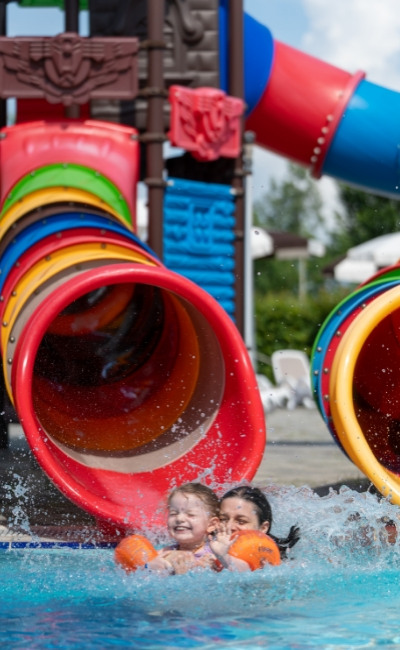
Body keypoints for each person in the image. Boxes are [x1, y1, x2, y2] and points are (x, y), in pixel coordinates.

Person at [145, 482, 249, 574]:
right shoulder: (163, 553)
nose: (179, 518)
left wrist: (223, 556)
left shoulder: (213, 555)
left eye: (190, 515)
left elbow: (247, 571)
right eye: (173, 513)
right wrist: (155, 565)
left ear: (212, 525)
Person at [219, 485, 300, 560]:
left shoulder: (274, 564)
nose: (229, 526)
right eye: (223, 519)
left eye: (241, 521)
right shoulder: (208, 554)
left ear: (263, 528)